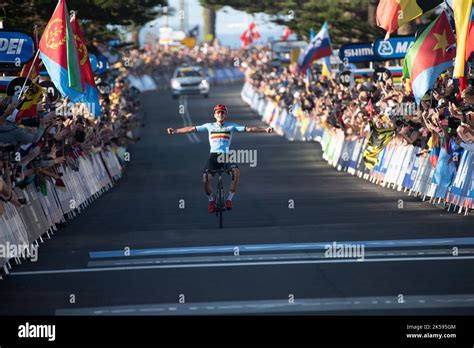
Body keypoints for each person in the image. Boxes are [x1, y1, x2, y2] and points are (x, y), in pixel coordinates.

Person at [167, 104, 273, 213]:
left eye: (222, 112)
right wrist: (175, 131)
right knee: (206, 179)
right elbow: (191, 128)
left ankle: (229, 200)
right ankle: (211, 201)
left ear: (225, 115)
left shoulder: (231, 126)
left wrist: (265, 130)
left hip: (226, 156)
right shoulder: (209, 126)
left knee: (236, 173)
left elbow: (249, 129)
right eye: (218, 112)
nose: (220, 114)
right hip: (213, 157)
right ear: (214, 115)